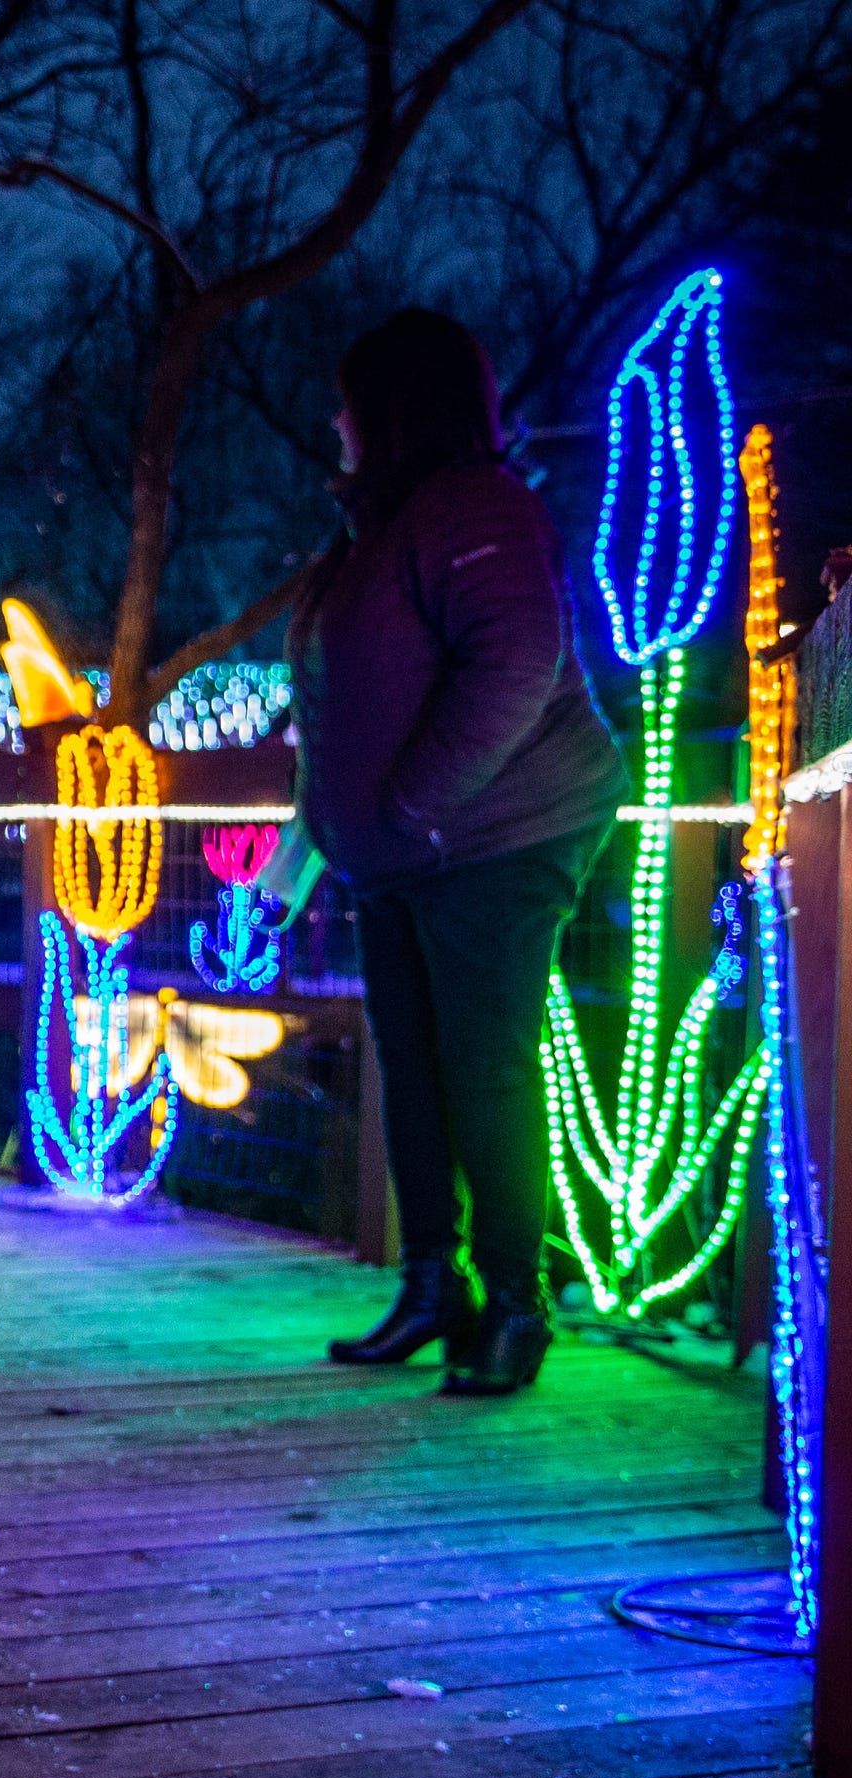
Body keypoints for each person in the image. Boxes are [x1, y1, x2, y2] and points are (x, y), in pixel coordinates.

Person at [287, 308, 627, 1396]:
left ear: (391, 409)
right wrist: (313, 843)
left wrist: (418, 807)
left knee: (482, 1065)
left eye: (347, 400)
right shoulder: (378, 529)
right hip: (398, 855)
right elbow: (339, 703)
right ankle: (433, 1284)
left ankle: (516, 1306)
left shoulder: (473, 507)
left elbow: (518, 658)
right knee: (415, 1064)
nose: (331, 420)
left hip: (496, 836)